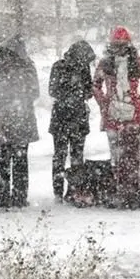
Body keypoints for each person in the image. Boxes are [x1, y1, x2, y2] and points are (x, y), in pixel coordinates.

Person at [0, 35, 39, 210]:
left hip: (2, 120)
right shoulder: (27, 67)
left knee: (1, 160)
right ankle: (20, 196)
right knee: (20, 161)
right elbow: (34, 92)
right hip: (22, 119)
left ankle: (2, 196)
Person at [93, 26, 140, 167]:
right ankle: (118, 183)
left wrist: (139, 104)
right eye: (116, 45)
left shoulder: (138, 63)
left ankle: (128, 184)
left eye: (122, 45)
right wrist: (104, 103)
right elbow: (95, 85)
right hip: (112, 116)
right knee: (115, 156)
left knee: (132, 155)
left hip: (131, 115)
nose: (119, 48)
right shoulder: (105, 63)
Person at [48, 40, 96, 204]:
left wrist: (78, 93)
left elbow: (89, 90)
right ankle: (64, 191)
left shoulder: (77, 67)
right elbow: (53, 90)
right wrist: (76, 93)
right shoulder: (62, 67)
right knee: (67, 156)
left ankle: (68, 191)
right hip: (68, 116)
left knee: (68, 156)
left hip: (70, 117)